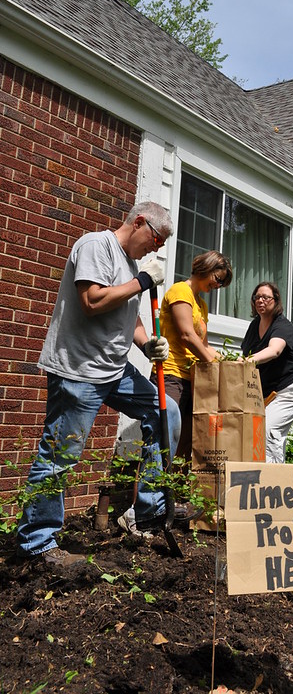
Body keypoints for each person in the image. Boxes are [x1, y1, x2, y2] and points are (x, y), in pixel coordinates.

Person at [17, 202, 185, 567]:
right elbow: (92, 300)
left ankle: (147, 515)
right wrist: (142, 281)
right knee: (61, 454)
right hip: (79, 370)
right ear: (139, 222)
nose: (155, 249)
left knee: (165, 413)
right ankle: (37, 543)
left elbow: (130, 316)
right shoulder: (96, 245)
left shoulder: (130, 264)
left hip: (114, 370)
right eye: (156, 239)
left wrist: (146, 343)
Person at [156, 251, 233, 462]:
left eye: (222, 284)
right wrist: (213, 364)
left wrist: (231, 363)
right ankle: (153, 494)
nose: (217, 286)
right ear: (205, 268)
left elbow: (204, 346)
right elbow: (187, 335)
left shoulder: (202, 305)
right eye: (218, 279)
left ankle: (178, 493)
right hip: (172, 375)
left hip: (193, 380)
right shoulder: (181, 291)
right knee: (164, 440)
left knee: (186, 442)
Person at [241, 282, 293, 463]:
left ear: (276, 301)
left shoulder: (282, 325)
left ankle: (273, 481)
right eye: (257, 297)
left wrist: (248, 360)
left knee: (268, 428)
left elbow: (274, 351)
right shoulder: (254, 326)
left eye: (266, 297)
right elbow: (245, 354)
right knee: (268, 432)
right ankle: (273, 475)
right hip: (271, 390)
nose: (261, 301)